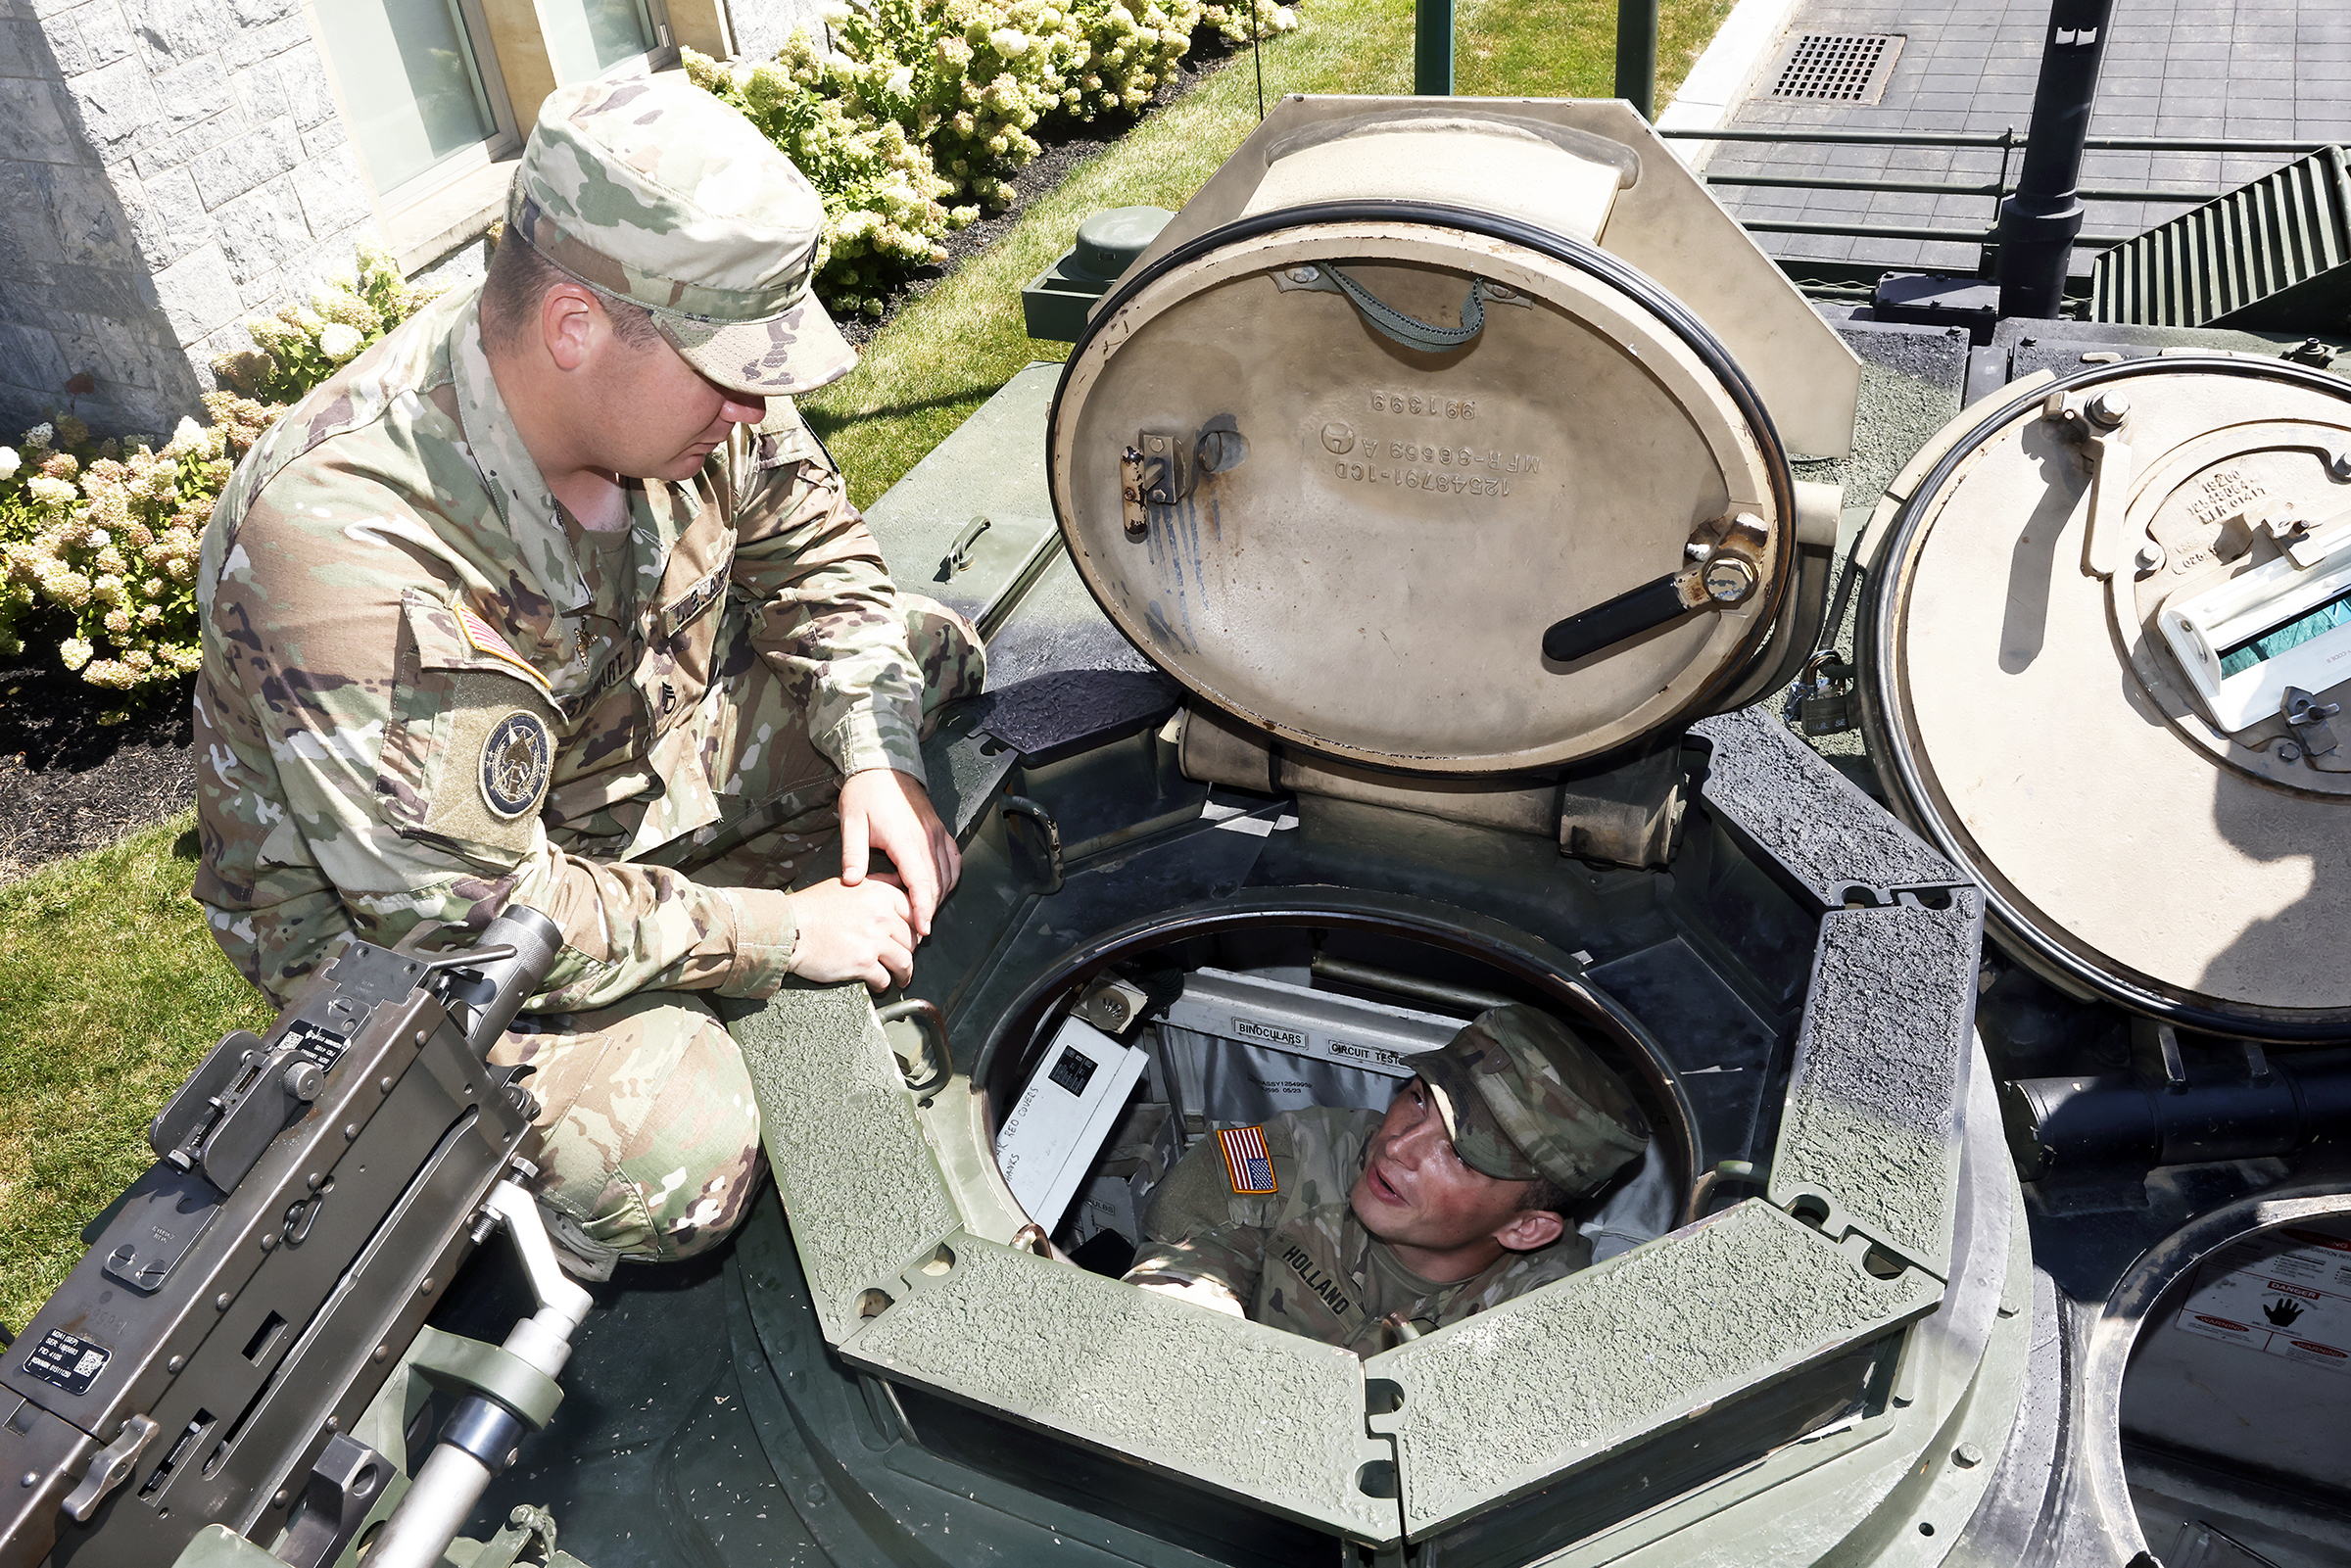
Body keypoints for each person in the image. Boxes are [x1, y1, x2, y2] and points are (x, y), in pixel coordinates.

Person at [192, 76, 984, 1277]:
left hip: (611, 775)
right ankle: (456, 1127)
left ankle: (704, 927)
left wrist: (877, 755)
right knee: (681, 1157)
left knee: (918, 662)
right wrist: (784, 932)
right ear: (574, 327)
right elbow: (484, 915)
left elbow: (818, 555)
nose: (758, 403)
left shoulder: (686, 386)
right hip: (420, 935)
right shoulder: (350, 551)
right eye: (730, 366)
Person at [1123, 1004, 1649, 1356]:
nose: (1397, 1146)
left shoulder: (1546, 1324)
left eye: (1463, 1155)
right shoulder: (1307, 1156)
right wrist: (1188, 1305)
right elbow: (1204, 1223)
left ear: (1527, 1229)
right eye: (1419, 1099)